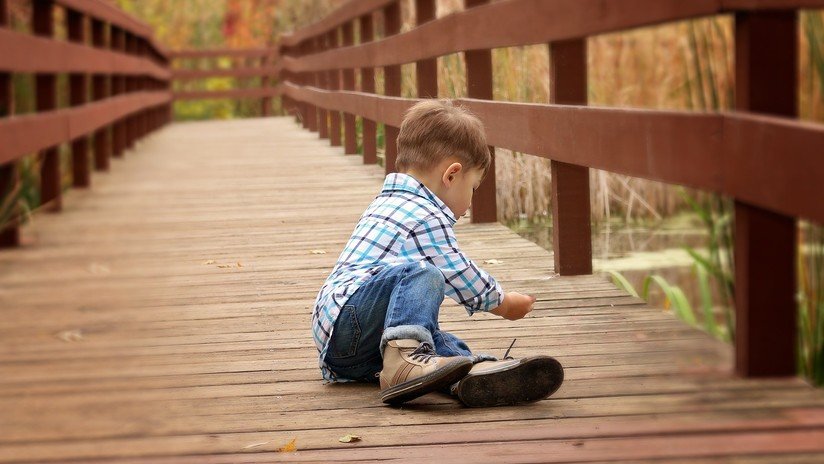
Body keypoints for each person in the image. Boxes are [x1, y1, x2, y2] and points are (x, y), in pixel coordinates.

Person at [311, 99, 563, 407]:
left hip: (350, 345)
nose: (470, 202)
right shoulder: (423, 214)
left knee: (434, 339)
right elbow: (457, 271)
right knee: (422, 272)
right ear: (452, 175)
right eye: (472, 187)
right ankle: (408, 362)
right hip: (349, 326)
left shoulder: (390, 201)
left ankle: (466, 373)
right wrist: (503, 303)